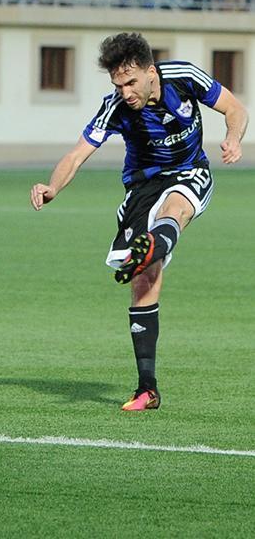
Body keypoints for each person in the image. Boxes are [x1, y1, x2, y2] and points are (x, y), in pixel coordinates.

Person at [30, 32, 248, 411]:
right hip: (142, 187)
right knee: (143, 280)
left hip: (190, 171)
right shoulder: (116, 107)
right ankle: (147, 389)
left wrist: (233, 138)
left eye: (131, 83)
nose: (125, 92)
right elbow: (78, 154)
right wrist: (52, 187)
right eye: (118, 85)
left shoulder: (184, 77)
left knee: (174, 210)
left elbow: (235, 108)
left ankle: (155, 246)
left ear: (151, 72)